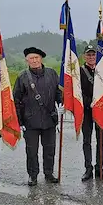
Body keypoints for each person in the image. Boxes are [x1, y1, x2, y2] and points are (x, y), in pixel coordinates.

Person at [13, 47, 63, 186]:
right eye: (31, 58)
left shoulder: (52, 74)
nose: (34, 60)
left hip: (49, 119)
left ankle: (49, 173)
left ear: (41, 59)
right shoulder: (22, 77)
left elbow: (58, 92)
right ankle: (33, 175)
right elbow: (16, 100)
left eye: (36, 58)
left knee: (49, 149)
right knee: (31, 151)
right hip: (30, 121)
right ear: (27, 60)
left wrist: (62, 103)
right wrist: (20, 121)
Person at [80, 44, 103, 181]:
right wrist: (89, 102)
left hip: (102, 110)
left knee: (101, 140)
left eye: (93, 55)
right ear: (84, 56)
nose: (91, 57)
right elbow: (77, 91)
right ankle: (88, 168)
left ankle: (100, 168)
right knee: (87, 140)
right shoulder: (79, 72)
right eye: (89, 55)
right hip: (86, 110)